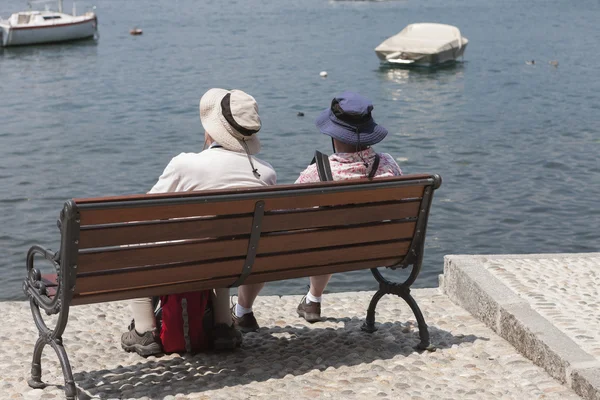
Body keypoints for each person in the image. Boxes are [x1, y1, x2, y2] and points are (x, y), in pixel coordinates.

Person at [121, 88, 277, 356]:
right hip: (237, 264)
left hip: (186, 263)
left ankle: (145, 331)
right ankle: (223, 326)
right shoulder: (265, 173)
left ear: (212, 131)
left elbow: (143, 214)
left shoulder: (186, 164)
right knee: (222, 246)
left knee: (137, 243)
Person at [232, 91, 401, 331]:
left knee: (284, 236)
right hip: (381, 249)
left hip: (325, 250)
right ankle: (312, 300)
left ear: (333, 134)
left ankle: (243, 311)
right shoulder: (389, 164)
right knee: (329, 233)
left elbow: (284, 218)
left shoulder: (317, 173)